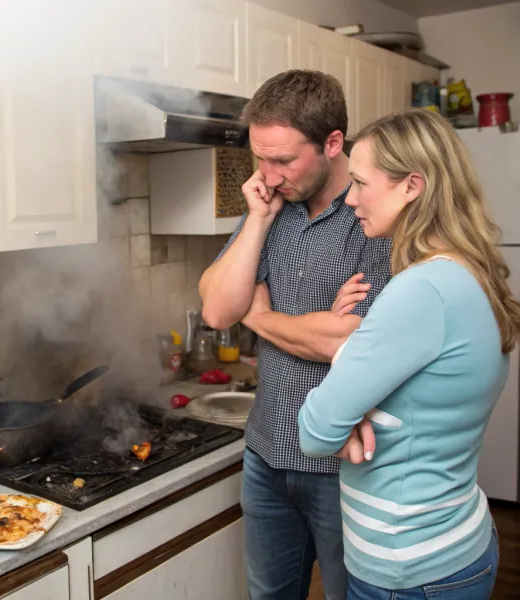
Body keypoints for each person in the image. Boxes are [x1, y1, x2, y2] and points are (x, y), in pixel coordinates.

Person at [297, 108, 520, 599]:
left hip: (410, 569)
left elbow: (316, 430)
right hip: (455, 541)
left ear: (411, 186)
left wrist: (347, 393)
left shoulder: (421, 290)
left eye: (360, 182)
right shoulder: (468, 272)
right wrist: (355, 398)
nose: (351, 198)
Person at [199, 70, 392, 600]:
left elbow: (346, 342)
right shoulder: (270, 205)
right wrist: (258, 219)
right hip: (266, 453)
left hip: (342, 465)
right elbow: (218, 309)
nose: (268, 173)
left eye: (283, 160)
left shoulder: (372, 214)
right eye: (260, 157)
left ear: (334, 144)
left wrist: (258, 317)